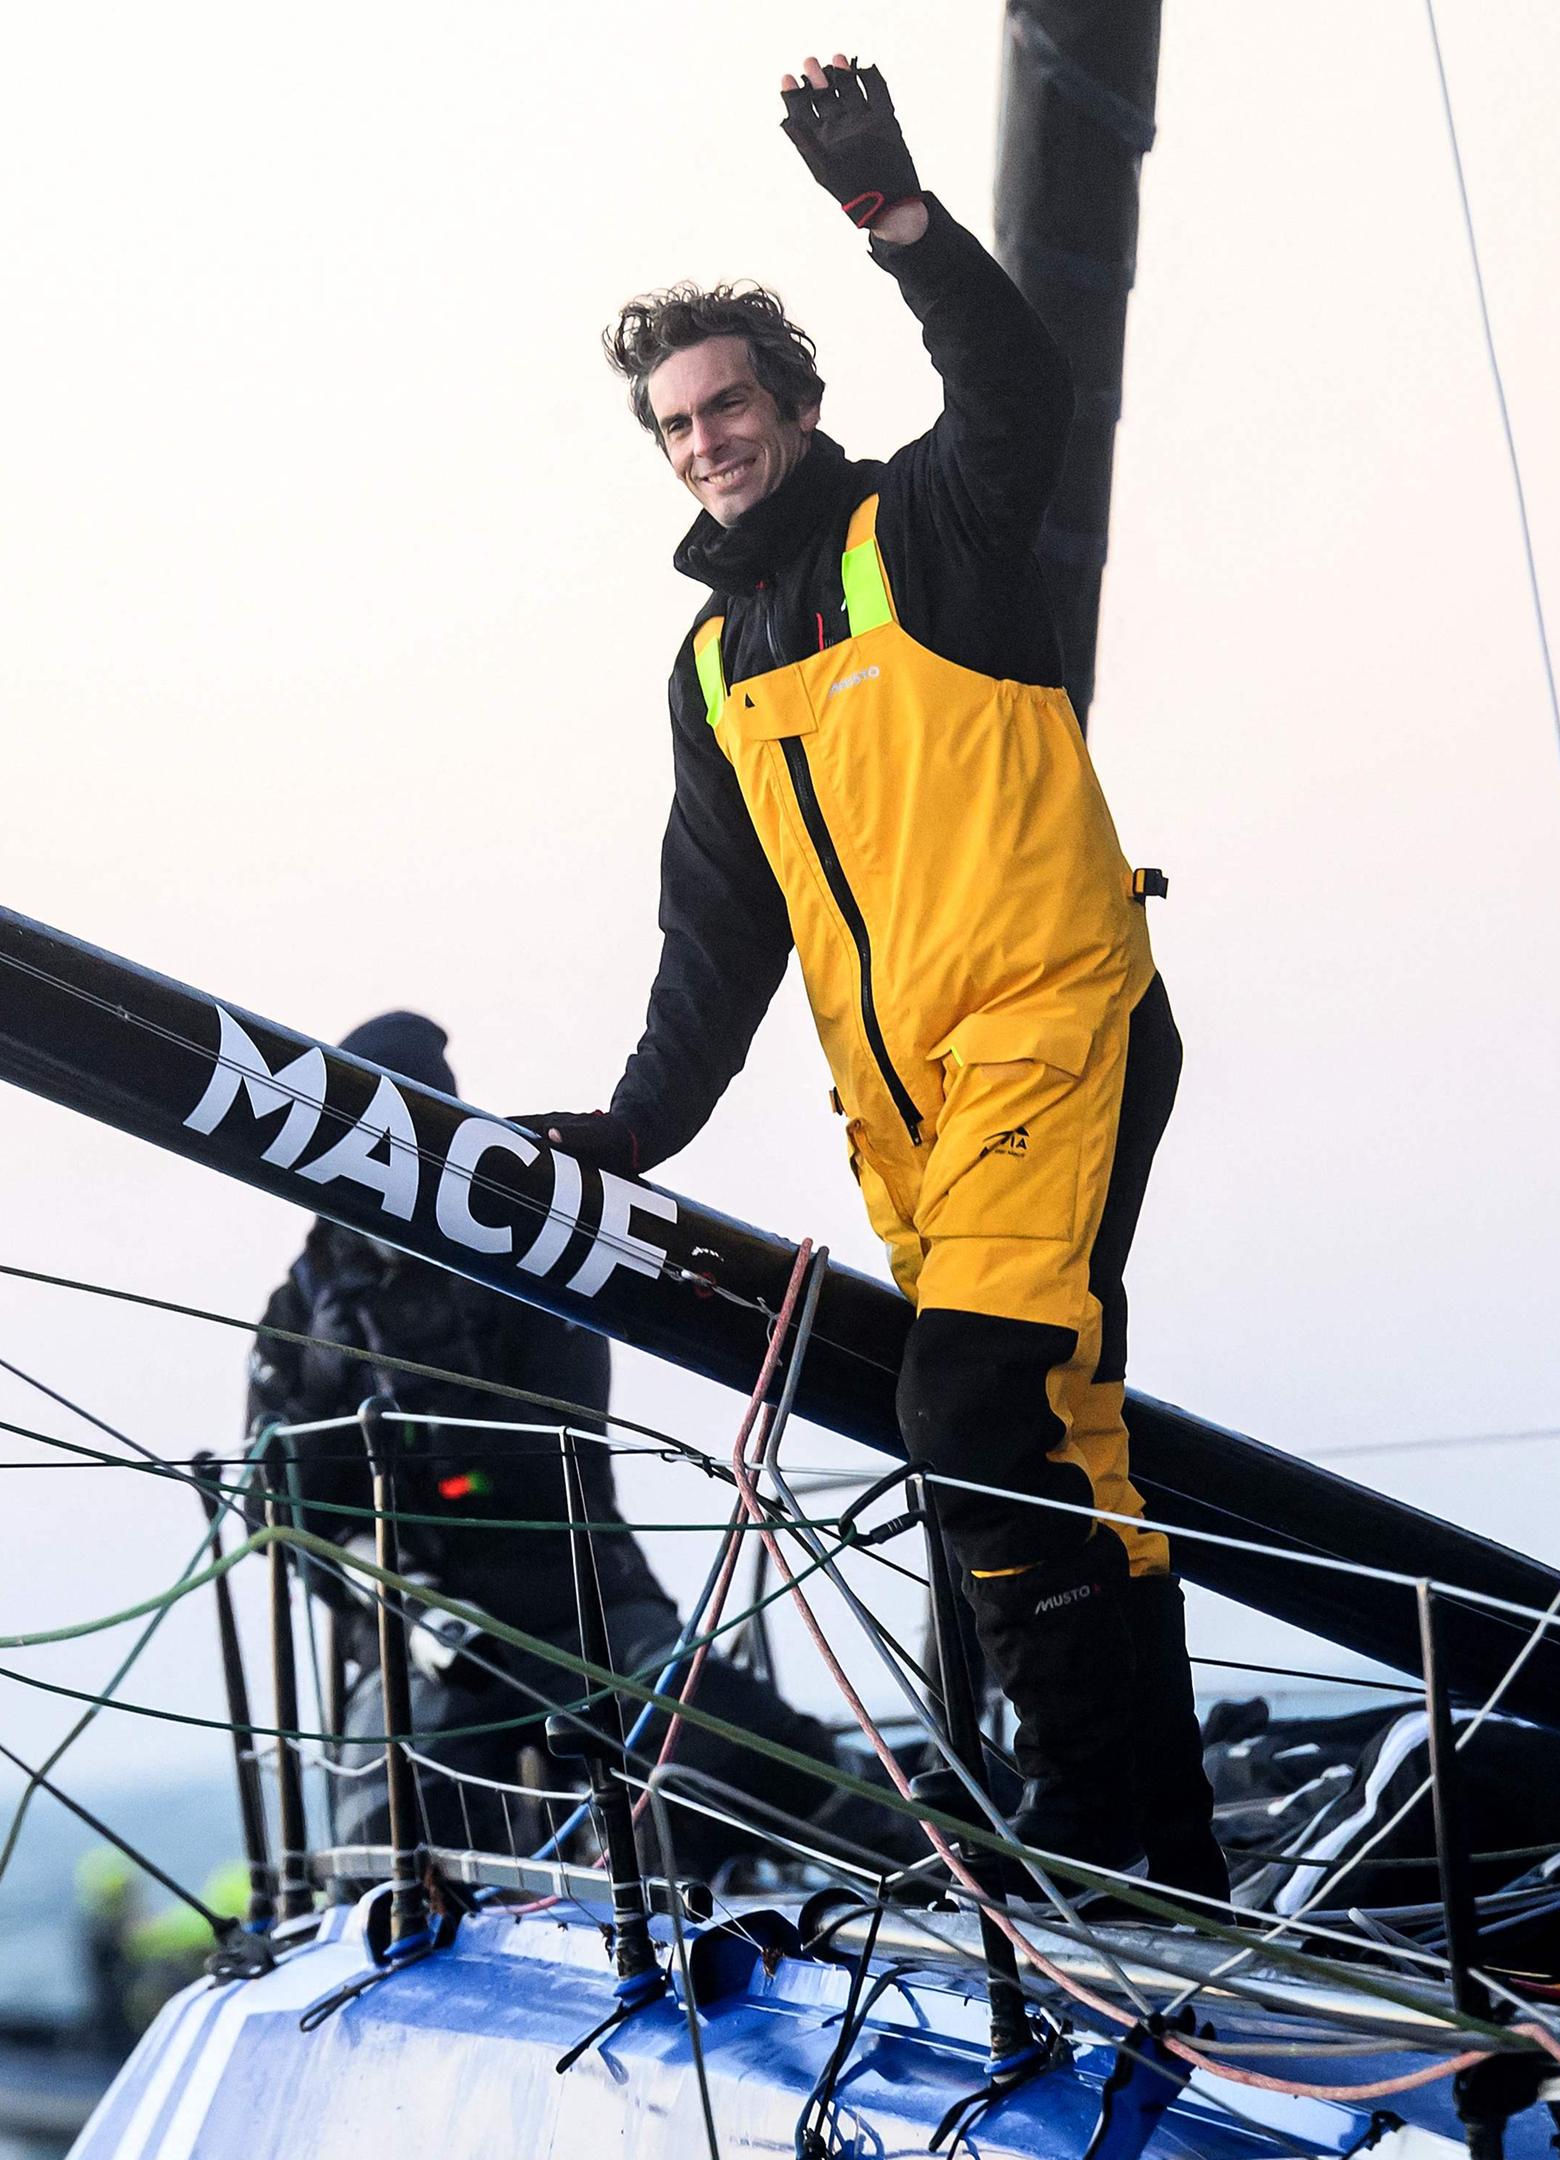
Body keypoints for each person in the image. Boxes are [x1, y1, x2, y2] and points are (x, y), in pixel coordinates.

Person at [524, 58, 1220, 1899]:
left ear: (793, 402)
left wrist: (893, 219)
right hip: (911, 1119)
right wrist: (635, 1123)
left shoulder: (925, 528)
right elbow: (718, 931)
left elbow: (1022, 391)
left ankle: (1077, 1845)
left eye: (727, 404)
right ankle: (1178, 1866)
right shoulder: (708, 670)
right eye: (672, 425)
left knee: (966, 1414)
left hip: (1057, 1032)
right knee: (1066, 1448)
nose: (703, 442)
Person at [253, 1010, 882, 1876]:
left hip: (580, 1597)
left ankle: (913, 1836)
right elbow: (280, 1510)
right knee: (384, 1853)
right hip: (414, 1635)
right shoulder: (299, 1312)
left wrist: (436, 1476)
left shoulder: (527, 1241)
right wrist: (402, 1593)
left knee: (736, 1752)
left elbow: (549, 1447)